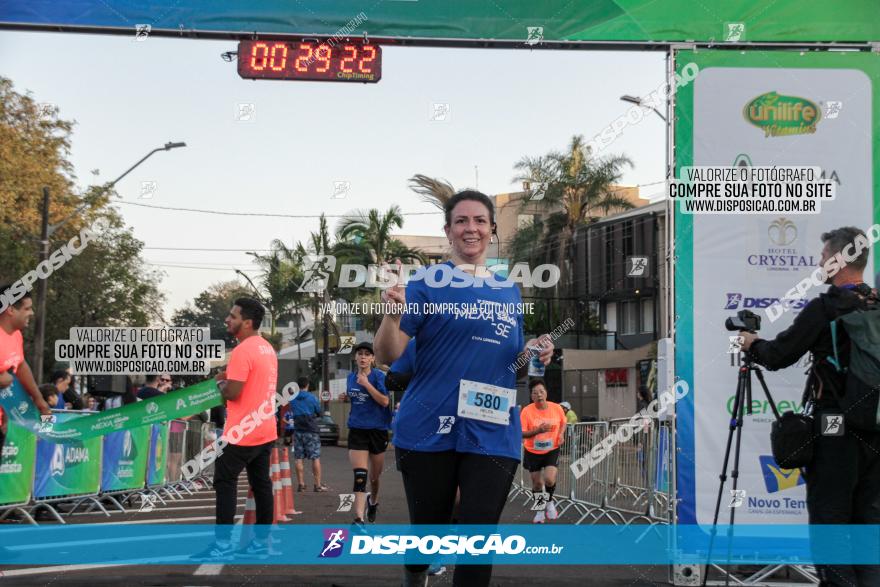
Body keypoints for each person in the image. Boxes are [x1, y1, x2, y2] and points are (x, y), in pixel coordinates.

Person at [374, 190, 554, 587]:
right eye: (461, 221)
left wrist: (535, 351)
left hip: (492, 430)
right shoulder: (424, 285)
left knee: (478, 541)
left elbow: (513, 365)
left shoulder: (509, 291)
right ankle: (416, 573)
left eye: (479, 221)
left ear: (492, 230)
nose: (470, 228)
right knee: (427, 533)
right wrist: (391, 315)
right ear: (448, 231)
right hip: (427, 431)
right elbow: (389, 354)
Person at [739, 226, 879, 587]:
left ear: (839, 260)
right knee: (869, 526)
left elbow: (779, 354)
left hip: (835, 429)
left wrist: (751, 343)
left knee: (830, 523)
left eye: (824, 256)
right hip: (876, 428)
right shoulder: (876, 303)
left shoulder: (825, 307)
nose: (819, 262)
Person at [191, 297, 278, 561]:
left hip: (242, 432)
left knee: (225, 482)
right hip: (265, 429)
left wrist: (220, 385)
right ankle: (261, 543)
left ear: (247, 323)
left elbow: (233, 392)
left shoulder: (242, 350)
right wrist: (226, 379)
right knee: (262, 485)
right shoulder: (267, 348)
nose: (227, 319)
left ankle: (222, 544)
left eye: (233, 316)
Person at [342, 341, 391, 528]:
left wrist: (366, 385)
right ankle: (358, 518)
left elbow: (385, 401)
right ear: (355, 357)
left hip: (377, 431)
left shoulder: (379, 377)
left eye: (367, 354)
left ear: (372, 359)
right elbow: (355, 399)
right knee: (360, 475)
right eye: (360, 353)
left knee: (374, 478)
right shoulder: (349, 378)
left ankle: (374, 500)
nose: (363, 357)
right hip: (357, 430)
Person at [0, 285, 53, 458]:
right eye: (27, 308)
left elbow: (21, 365)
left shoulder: (16, 336)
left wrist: (39, 400)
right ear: (10, 310)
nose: (31, 313)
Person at [520, 379, 567, 523]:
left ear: (546, 393)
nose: (539, 395)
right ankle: (540, 510)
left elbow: (563, 422)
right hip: (532, 451)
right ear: (531, 396)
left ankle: (550, 502)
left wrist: (561, 434)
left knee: (549, 479)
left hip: (551, 449)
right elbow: (521, 433)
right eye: (535, 393)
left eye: (541, 391)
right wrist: (538, 430)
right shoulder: (527, 411)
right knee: (537, 484)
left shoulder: (556, 408)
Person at [289, 376, 327, 492]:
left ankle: (301, 484)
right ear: (307, 385)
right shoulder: (312, 398)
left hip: (298, 431)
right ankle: (317, 485)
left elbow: (292, 410)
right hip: (311, 430)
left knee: (298, 458)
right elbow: (319, 412)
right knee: (315, 457)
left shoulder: (293, 398)